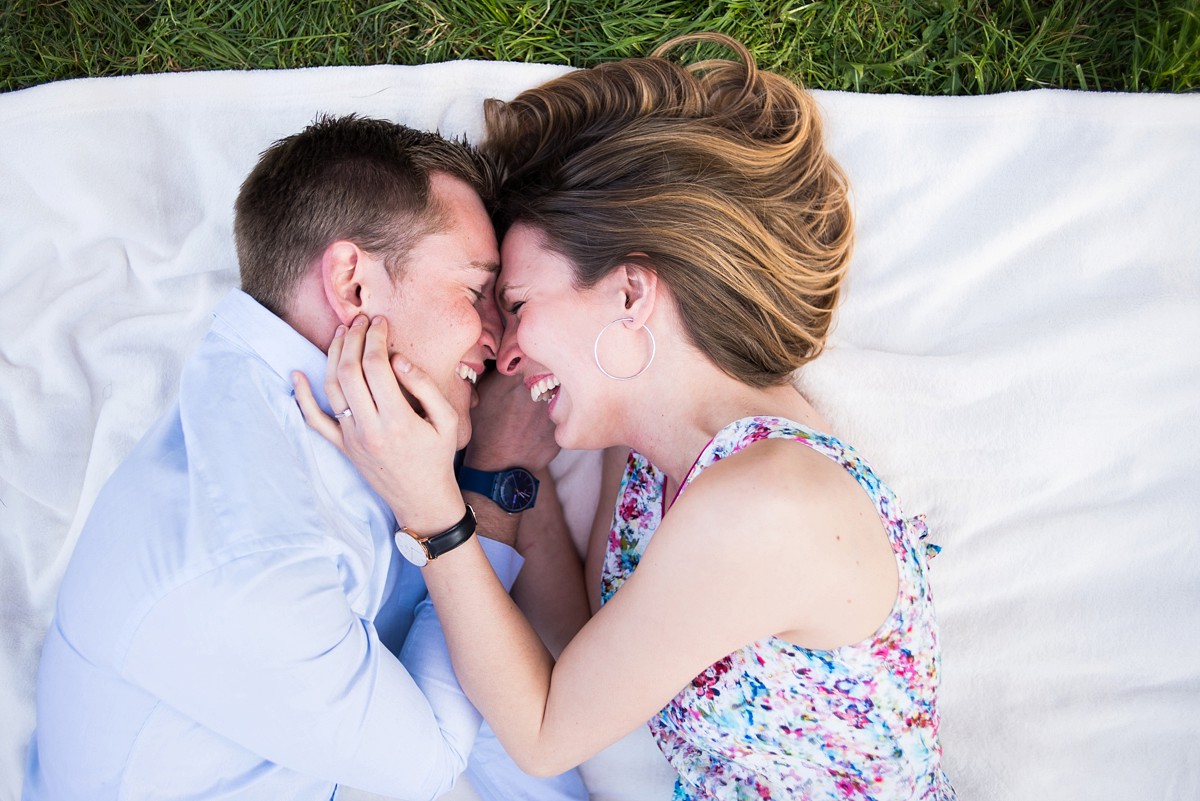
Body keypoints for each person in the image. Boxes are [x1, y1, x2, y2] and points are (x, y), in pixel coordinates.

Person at [298, 34, 956, 801]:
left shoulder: (771, 503)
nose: (505, 353)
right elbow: (590, 660)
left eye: (516, 304)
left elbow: (546, 729)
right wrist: (518, 474)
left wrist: (432, 508)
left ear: (631, 295)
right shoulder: (656, 460)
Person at [23, 114, 587, 801]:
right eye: (474, 292)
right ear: (353, 285)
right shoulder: (256, 560)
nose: (499, 343)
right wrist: (489, 482)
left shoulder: (303, 404)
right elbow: (435, 758)